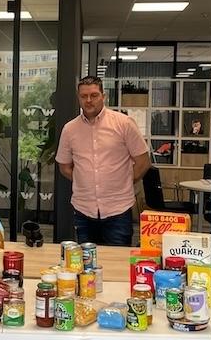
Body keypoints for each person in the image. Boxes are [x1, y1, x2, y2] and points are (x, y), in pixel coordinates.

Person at [56, 76, 150, 246]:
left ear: (103, 96)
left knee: (117, 264)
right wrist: (85, 180)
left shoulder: (124, 123)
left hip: (118, 211)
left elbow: (143, 162)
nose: (89, 100)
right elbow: (64, 167)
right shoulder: (70, 129)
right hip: (84, 211)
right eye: (84, 96)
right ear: (78, 98)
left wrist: (124, 182)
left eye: (94, 95)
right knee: (86, 266)